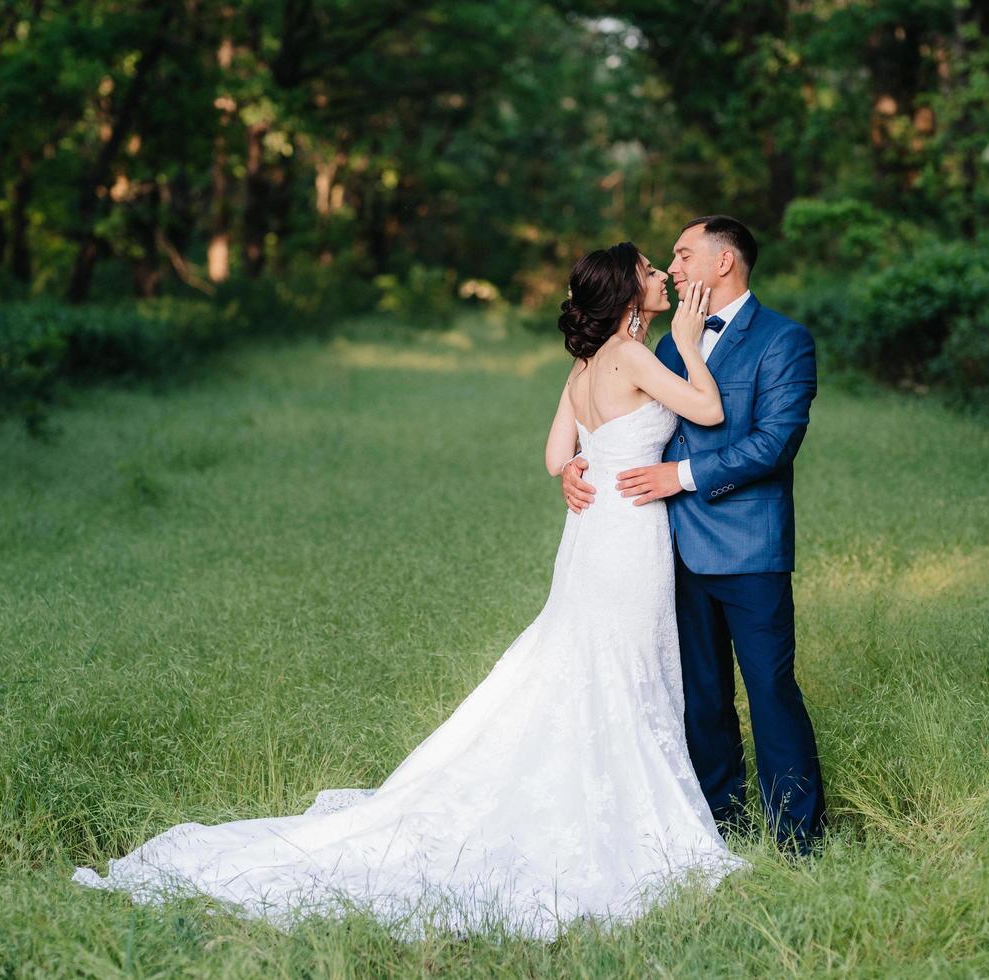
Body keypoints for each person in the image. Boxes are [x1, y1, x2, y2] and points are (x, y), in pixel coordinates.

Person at [72, 242, 746, 941]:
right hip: (628, 535)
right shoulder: (635, 355)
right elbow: (705, 411)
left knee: (589, 660)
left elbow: (554, 458)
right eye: (648, 270)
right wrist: (691, 346)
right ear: (626, 290)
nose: (662, 276)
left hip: (593, 532)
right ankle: (630, 816)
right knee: (623, 665)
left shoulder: (581, 367)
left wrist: (587, 463)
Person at [561, 216, 827, 855]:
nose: (673, 269)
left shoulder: (783, 340)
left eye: (683, 256)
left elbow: (774, 442)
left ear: (724, 262)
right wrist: (578, 464)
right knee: (700, 697)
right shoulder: (664, 344)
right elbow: (635, 421)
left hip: (747, 546)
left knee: (770, 690)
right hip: (664, 546)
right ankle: (718, 823)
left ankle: (797, 837)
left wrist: (680, 475)